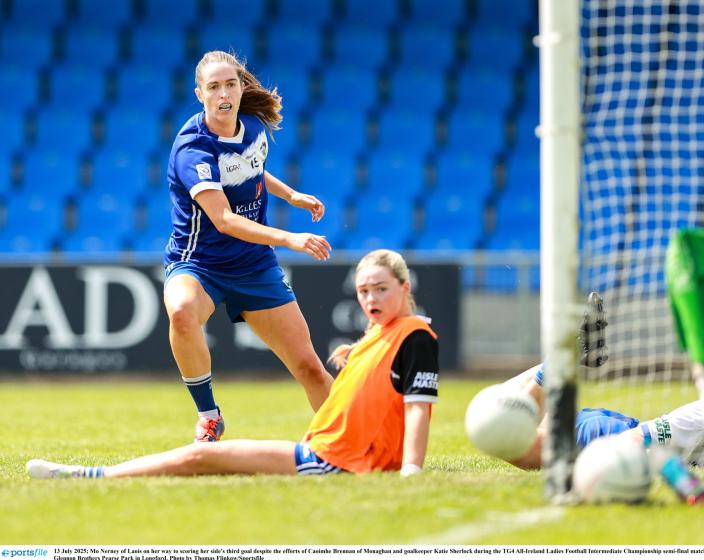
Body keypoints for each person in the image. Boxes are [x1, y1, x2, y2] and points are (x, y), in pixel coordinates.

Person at [26, 250, 439, 480]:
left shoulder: (414, 334)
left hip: (338, 461)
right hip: (332, 454)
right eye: (365, 290)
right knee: (211, 461)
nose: (371, 299)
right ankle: (89, 475)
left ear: (405, 289)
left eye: (381, 289)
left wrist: (411, 471)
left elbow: (418, 409)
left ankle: (89, 476)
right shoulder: (376, 337)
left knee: (202, 458)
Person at [163, 50, 335, 442]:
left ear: (241, 87)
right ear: (199, 94)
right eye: (213, 87)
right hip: (198, 262)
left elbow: (250, 166)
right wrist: (289, 237)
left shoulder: (253, 126)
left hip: (253, 264)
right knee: (182, 312)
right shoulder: (193, 149)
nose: (223, 93)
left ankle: (350, 445)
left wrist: (291, 195)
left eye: (230, 84)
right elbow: (223, 220)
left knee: (309, 367)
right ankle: (209, 415)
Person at [498, 295, 704, 470]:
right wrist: (594, 466)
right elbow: (638, 438)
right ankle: (564, 359)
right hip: (606, 435)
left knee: (501, 407)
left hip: (612, 423)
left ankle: (568, 359)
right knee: (506, 438)